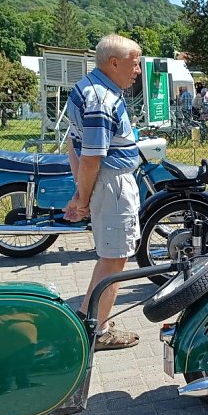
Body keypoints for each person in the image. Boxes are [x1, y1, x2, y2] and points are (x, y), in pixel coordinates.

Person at [63, 34, 142, 351]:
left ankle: (89, 320)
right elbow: (92, 160)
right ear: (115, 63)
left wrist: (80, 193)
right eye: (134, 64)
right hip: (113, 184)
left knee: (109, 259)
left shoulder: (87, 89)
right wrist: (81, 198)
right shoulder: (101, 100)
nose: (136, 71)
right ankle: (97, 332)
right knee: (114, 261)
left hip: (106, 183)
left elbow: (74, 145)